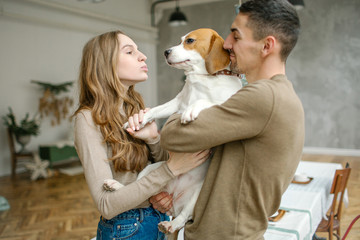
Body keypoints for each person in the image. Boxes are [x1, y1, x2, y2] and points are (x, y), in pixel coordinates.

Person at [156, 0, 305, 239]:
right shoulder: (282, 94)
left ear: (267, 46)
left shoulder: (261, 98)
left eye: (236, 36)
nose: (226, 44)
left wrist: (189, 98)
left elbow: (173, 137)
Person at [73, 30, 210, 240]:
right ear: (105, 64)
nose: (142, 56)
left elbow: (165, 171)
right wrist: (170, 170)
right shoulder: (87, 119)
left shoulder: (135, 108)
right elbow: (106, 204)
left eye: (138, 50)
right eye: (129, 52)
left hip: (159, 219)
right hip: (125, 229)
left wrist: (154, 139)